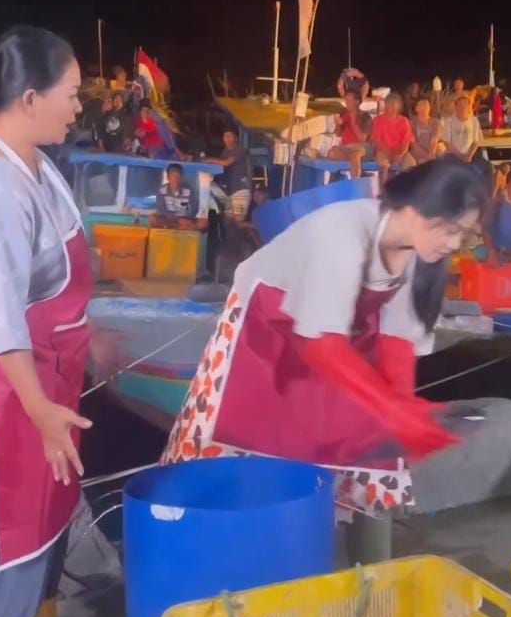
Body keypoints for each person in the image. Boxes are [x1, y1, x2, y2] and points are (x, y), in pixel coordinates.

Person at [163, 157, 487, 564]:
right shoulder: (343, 230)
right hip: (263, 336)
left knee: (360, 450)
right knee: (246, 456)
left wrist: (405, 414)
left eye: (464, 235)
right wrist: (395, 414)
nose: (455, 245)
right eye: (451, 229)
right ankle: (222, 560)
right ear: (418, 205)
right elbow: (323, 348)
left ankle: (354, 573)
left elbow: (397, 344)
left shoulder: (420, 255)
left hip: (334, 336)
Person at [0, 26, 117, 617]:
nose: (80, 106)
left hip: (50, 371)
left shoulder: (34, 160)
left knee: (54, 503)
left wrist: (91, 339)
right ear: (29, 98)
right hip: (7, 381)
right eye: (72, 94)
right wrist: (40, 407)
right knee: (19, 518)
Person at [203, 127, 251, 218]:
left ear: (236, 138)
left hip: (240, 191)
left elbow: (226, 163)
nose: (227, 139)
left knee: (238, 222)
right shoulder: (225, 151)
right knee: (228, 222)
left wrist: (207, 159)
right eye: (225, 136)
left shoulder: (240, 149)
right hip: (228, 192)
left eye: (230, 136)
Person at [371, 93, 416, 185]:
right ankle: (383, 191)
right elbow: (377, 142)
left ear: (398, 107)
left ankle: (407, 192)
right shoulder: (378, 120)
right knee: (383, 163)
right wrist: (391, 155)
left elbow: (406, 142)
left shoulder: (404, 121)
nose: (390, 108)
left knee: (411, 163)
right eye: (388, 104)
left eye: (393, 105)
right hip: (383, 151)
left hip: (400, 153)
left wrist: (399, 155)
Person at [328, 90, 372, 178]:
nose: (346, 103)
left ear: (357, 101)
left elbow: (362, 139)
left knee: (354, 155)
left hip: (361, 148)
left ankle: (355, 182)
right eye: (346, 100)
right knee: (332, 152)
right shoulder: (344, 114)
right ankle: (335, 178)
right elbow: (338, 134)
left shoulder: (365, 116)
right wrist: (338, 124)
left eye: (349, 100)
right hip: (346, 148)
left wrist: (353, 121)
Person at [149, 163, 207, 231]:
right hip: (169, 220)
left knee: (204, 222)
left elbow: (194, 209)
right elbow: (161, 210)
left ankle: (180, 228)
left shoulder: (188, 190)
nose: (175, 179)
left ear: (181, 178)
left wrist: (187, 219)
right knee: (152, 218)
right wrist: (177, 219)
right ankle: (181, 229)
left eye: (178, 176)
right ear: (168, 177)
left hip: (185, 220)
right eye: (172, 176)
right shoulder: (162, 190)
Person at [441, 95, 483, 163]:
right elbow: (447, 142)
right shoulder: (449, 121)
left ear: (469, 106)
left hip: (470, 156)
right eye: (460, 104)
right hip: (452, 156)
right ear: (455, 106)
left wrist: (469, 156)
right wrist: (460, 156)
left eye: (465, 104)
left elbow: (476, 142)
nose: (463, 106)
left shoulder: (474, 120)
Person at [410, 97, 440, 164]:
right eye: (420, 105)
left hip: (432, 153)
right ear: (416, 108)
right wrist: (426, 156)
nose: (423, 107)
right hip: (416, 154)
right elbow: (413, 143)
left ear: (430, 107)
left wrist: (430, 155)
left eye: (426, 105)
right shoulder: (412, 121)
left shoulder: (436, 122)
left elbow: (434, 141)